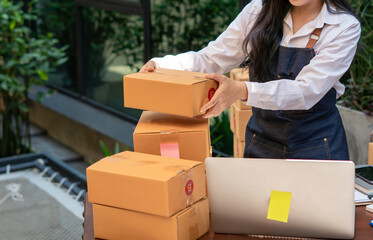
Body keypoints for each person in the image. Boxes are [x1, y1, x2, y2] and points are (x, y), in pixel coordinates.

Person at [139, 0, 361, 160]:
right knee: (264, 221)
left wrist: (241, 91)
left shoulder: (343, 27)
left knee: (312, 223)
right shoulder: (258, 10)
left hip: (316, 150)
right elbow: (211, 58)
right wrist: (162, 65)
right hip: (264, 145)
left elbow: (304, 92)